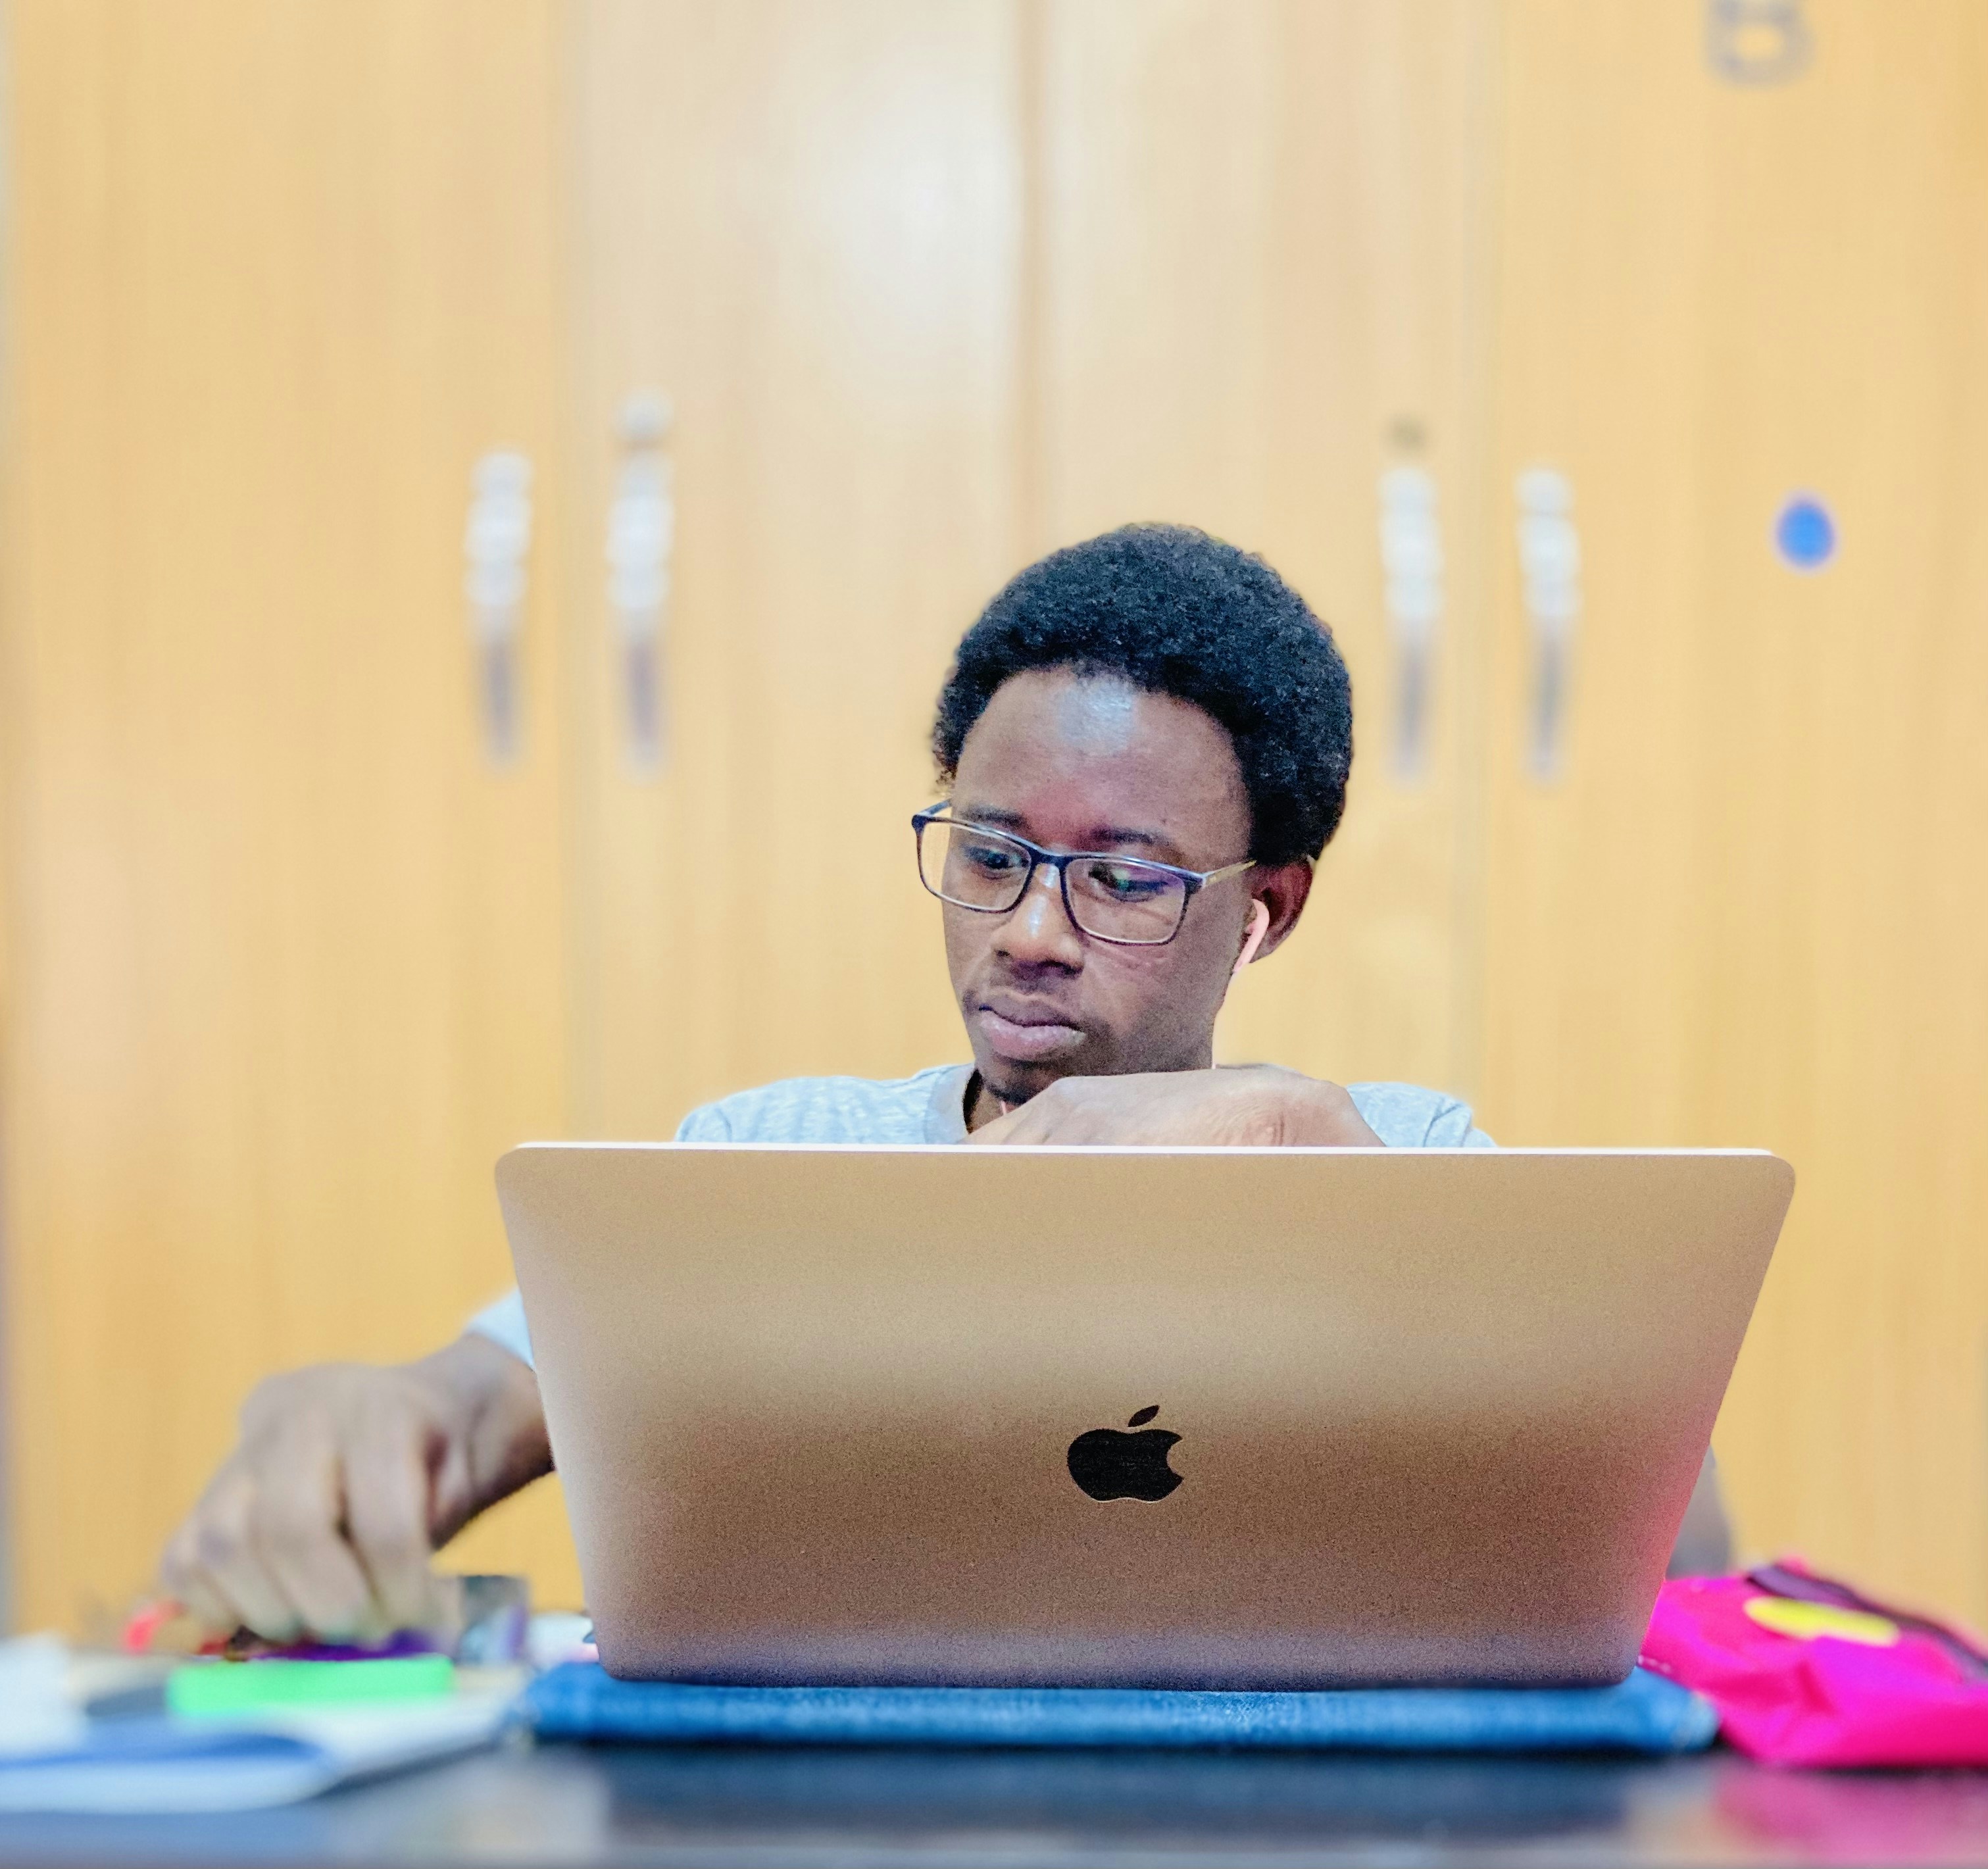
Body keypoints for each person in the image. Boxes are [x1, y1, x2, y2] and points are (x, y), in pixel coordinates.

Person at [161, 524, 1731, 1642]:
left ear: (1268, 907)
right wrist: (388, 1412)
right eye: (988, 855)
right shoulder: (773, 1157)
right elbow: (481, 1398)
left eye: (1122, 882)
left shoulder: (1405, 1157)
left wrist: (1312, 1143)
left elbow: (1691, 1580)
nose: (1030, 934)